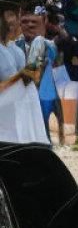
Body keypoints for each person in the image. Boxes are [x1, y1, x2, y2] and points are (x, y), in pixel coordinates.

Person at [0, 10, 49, 144]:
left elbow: (30, 80)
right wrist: (20, 76)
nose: (16, 27)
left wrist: (33, 74)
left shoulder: (14, 49)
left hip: (21, 111)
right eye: (10, 24)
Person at [18, 6, 64, 144]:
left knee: (40, 123)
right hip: (46, 90)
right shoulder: (48, 44)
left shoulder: (42, 43)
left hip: (42, 90)